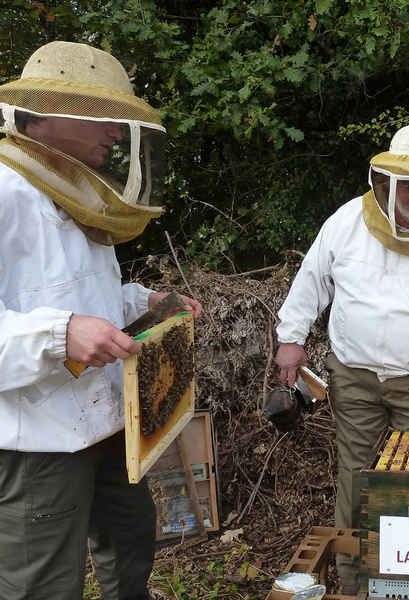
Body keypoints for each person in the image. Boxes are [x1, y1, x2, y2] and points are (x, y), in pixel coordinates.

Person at [0, 41, 201, 600]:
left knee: (132, 545)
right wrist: (60, 334)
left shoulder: (77, 191)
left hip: (111, 423)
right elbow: (55, 314)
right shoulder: (3, 192)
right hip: (37, 441)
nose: (117, 133)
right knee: (41, 585)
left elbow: (85, 290)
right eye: (107, 116)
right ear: (53, 111)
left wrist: (144, 302)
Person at [275, 123, 409, 593]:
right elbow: (312, 279)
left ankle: (408, 577)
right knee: (357, 474)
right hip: (353, 375)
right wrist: (291, 336)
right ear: (388, 182)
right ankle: (356, 580)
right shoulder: (346, 222)